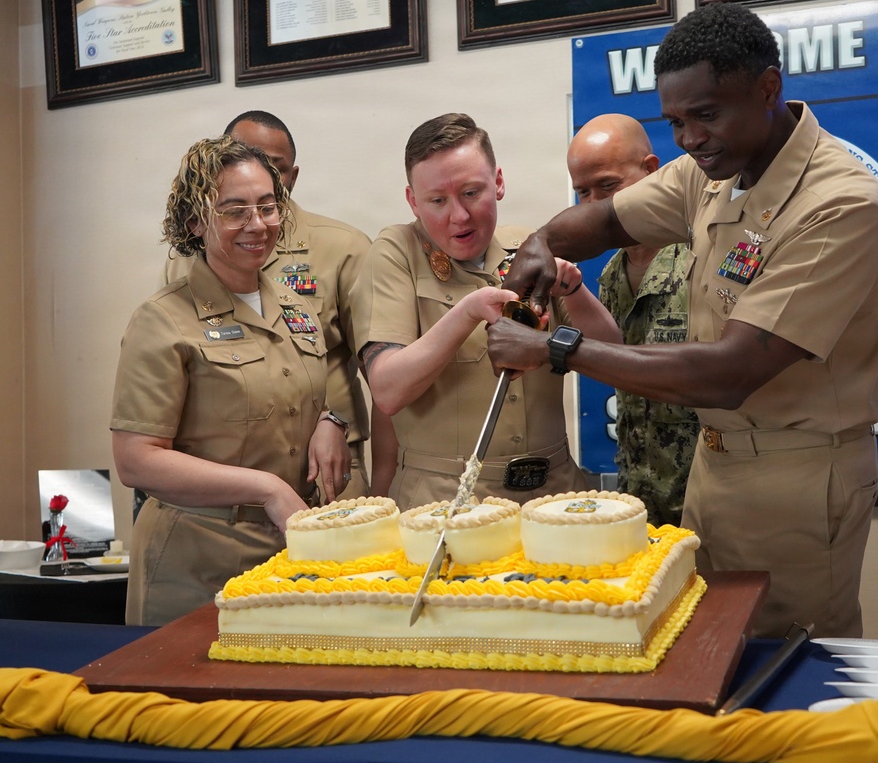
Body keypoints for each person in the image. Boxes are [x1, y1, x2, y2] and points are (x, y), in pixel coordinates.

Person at [487, 3, 878, 639]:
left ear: (768, 88)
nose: (687, 139)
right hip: (714, 470)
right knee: (708, 656)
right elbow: (605, 221)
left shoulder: (840, 205)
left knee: (784, 663)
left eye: (704, 115)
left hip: (796, 477)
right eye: (675, 122)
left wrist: (556, 350)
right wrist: (543, 242)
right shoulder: (711, 172)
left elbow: (729, 373)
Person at [112, 136, 345, 626]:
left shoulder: (297, 309)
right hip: (197, 561)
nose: (257, 224)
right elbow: (136, 460)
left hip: (287, 559)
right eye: (234, 210)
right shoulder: (162, 320)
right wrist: (266, 489)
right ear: (196, 220)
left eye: (267, 206)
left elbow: (283, 395)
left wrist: (330, 419)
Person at [349, 113, 613, 510]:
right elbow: (387, 390)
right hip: (447, 504)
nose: (459, 216)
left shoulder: (529, 246)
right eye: (437, 201)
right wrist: (468, 311)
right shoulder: (396, 253)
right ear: (412, 201)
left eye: (471, 193)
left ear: (499, 182)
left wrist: (573, 290)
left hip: (554, 496)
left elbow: (613, 353)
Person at [165, 111, 397, 499]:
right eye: (244, 158)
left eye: (276, 168)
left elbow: (384, 376)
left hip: (326, 465)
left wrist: (386, 480)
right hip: (223, 471)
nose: (258, 173)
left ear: (292, 176)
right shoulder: (188, 259)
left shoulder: (343, 247)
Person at [567, 114, 699, 526]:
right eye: (582, 192)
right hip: (640, 499)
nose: (593, 206)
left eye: (608, 186)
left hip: (705, 498)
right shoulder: (610, 274)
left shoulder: (702, 259)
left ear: (651, 171)